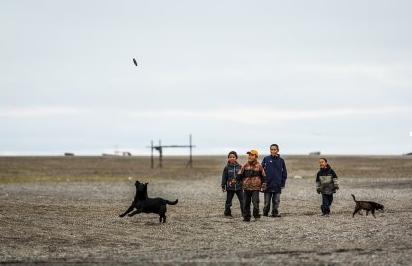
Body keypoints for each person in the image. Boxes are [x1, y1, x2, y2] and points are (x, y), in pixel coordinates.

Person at [239, 149, 266, 222]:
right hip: (246, 188)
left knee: (255, 202)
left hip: (256, 188)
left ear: (256, 156)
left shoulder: (259, 166)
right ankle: (246, 217)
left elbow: (263, 176)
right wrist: (237, 182)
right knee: (246, 203)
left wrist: (263, 184)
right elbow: (239, 175)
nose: (250, 156)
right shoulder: (245, 165)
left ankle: (256, 215)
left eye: (252, 155)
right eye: (249, 155)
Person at [261, 144, 288, 217]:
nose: (273, 151)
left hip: (277, 184)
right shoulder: (266, 159)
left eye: (274, 149)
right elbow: (261, 170)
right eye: (271, 149)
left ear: (278, 150)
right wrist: (262, 182)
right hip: (267, 184)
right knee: (267, 202)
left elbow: (284, 173)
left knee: (276, 201)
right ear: (270, 150)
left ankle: (275, 213)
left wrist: (282, 183)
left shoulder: (281, 160)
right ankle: (265, 213)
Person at [221, 151, 243, 217]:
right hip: (230, 188)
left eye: (233, 157)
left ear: (236, 158)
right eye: (230, 157)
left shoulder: (240, 167)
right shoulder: (227, 168)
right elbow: (224, 177)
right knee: (228, 202)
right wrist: (223, 185)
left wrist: (243, 184)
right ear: (228, 158)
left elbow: (243, 176)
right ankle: (227, 213)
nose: (232, 158)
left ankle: (244, 213)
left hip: (239, 187)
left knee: (243, 201)